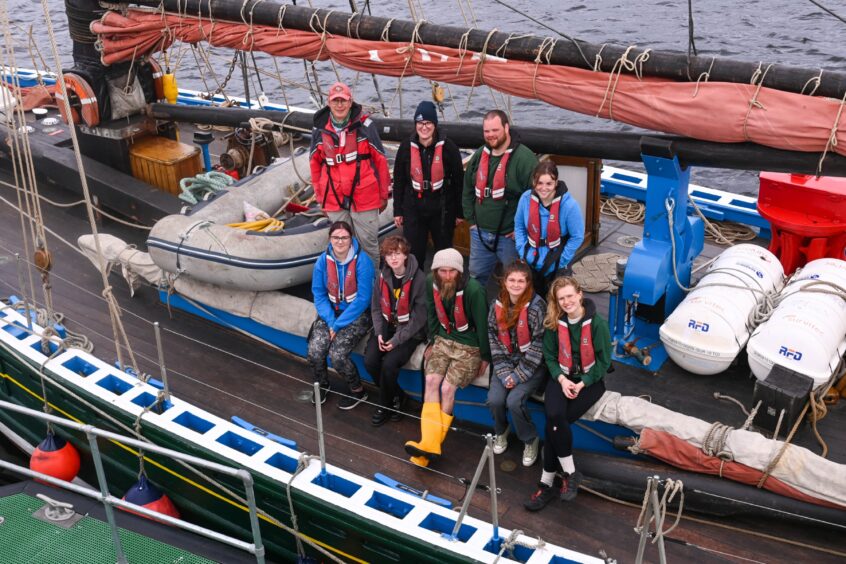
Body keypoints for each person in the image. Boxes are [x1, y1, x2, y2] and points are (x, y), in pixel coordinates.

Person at [524, 276, 611, 511]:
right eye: (561, 298)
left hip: (589, 382)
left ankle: (546, 483)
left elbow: (604, 362)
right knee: (555, 419)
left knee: (554, 426)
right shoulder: (554, 322)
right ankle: (571, 473)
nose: (566, 302)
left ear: (580, 294)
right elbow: (550, 358)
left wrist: (582, 383)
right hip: (560, 378)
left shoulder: (597, 325)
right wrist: (562, 381)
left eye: (570, 296)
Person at [404, 248, 490, 467]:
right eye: (443, 271)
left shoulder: (474, 290)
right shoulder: (431, 281)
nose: (447, 276)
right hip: (443, 339)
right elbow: (432, 313)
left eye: (452, 271)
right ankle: (429, 445)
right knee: (431, 381)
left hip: (468, 345)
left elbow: (483, 326)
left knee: (447, 389)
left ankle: (428, 447)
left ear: (460, 271)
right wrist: (433, 340)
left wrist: (485, 357)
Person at [309, 82, 390, 266]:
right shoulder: (319, 131)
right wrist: (321, 198)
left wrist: (383, 195)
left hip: (365, 197)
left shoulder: (366, 127)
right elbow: (315, 166)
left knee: (369, 247)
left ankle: (371, 289)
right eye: (335, 101)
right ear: (328, 103)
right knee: (341, 247)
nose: (339, 105)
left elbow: (380, 162)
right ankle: (347, 286)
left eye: (343, 101)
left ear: (350, 102)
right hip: (333, 198)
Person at [462, 110, 538, 288]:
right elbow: (467, 188)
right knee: (475, 281)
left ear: (506, 127)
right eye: (486, 131)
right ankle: (476, 314)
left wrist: (523, 229)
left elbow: (537, 199)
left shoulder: (525, 159)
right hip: (479, 233)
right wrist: (471, 220)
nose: (490, 135)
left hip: (509, 237)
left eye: (495, 130)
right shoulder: (480, 155)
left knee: (515, 283)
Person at [308, 221, 375, 410]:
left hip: (357, 314)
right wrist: (331, 321)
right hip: (331, 313)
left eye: (344, 237)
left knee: (337, 355)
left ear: (351, 238)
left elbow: (363, 299)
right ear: (330, 239)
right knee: (315, 351)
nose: (340, 241)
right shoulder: (322, 261)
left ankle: (358, 391)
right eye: (336, 237)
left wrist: (336, 326)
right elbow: (319, 294)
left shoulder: (363, 262)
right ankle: (322, 384)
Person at [486, 260, 547, 467]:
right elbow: (493, 340)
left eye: (521, 281)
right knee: (495, 400)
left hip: (531, 366)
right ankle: (501, 431)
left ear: (528, 283)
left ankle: (530, 439)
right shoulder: (496, 305)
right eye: (511, 280)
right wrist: (504, 373)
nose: (516, 284)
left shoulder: (538, 308)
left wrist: (518, 376)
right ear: (504, 282)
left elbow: (539, 347)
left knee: (514, 401)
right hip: (505, 363)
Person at [392, 101, 465, 268]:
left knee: (443, 254)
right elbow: (399, 180)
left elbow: (459, 181)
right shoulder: (405, 147)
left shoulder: (448, 147)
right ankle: (416, 289)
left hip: (442, 207)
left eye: (428, 123)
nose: (424, 127)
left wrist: (459, 213)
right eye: (420, 123)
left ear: (435, 124)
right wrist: (398, 210)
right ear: (415, 125)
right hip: (414, 207)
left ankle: (443, 290)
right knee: (414, 255)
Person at [365, 235, 427, 426]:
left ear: (405, 255)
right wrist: (379, 334)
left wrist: (396, 340)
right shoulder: (383, 277)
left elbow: (419, 319)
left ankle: (385, 405)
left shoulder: (419, 280)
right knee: (370, 361)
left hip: (409, 331)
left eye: (397, 253)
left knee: (389, 364)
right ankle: (398, 396)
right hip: (386, 326)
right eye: (389, 254)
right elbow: (376, 307)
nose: (393, 258)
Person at [514, 161, 585, 296]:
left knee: (558, 305)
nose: (543, 188)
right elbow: (519, 226)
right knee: (529, 303)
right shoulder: (525, 199)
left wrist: (561, 260)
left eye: (549, 183)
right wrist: (522, 250)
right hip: (529, 262)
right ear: (534, 182)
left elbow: (577, 237)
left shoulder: (570, 206)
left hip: (557, 264)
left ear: (556, 183)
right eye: (539, 183)